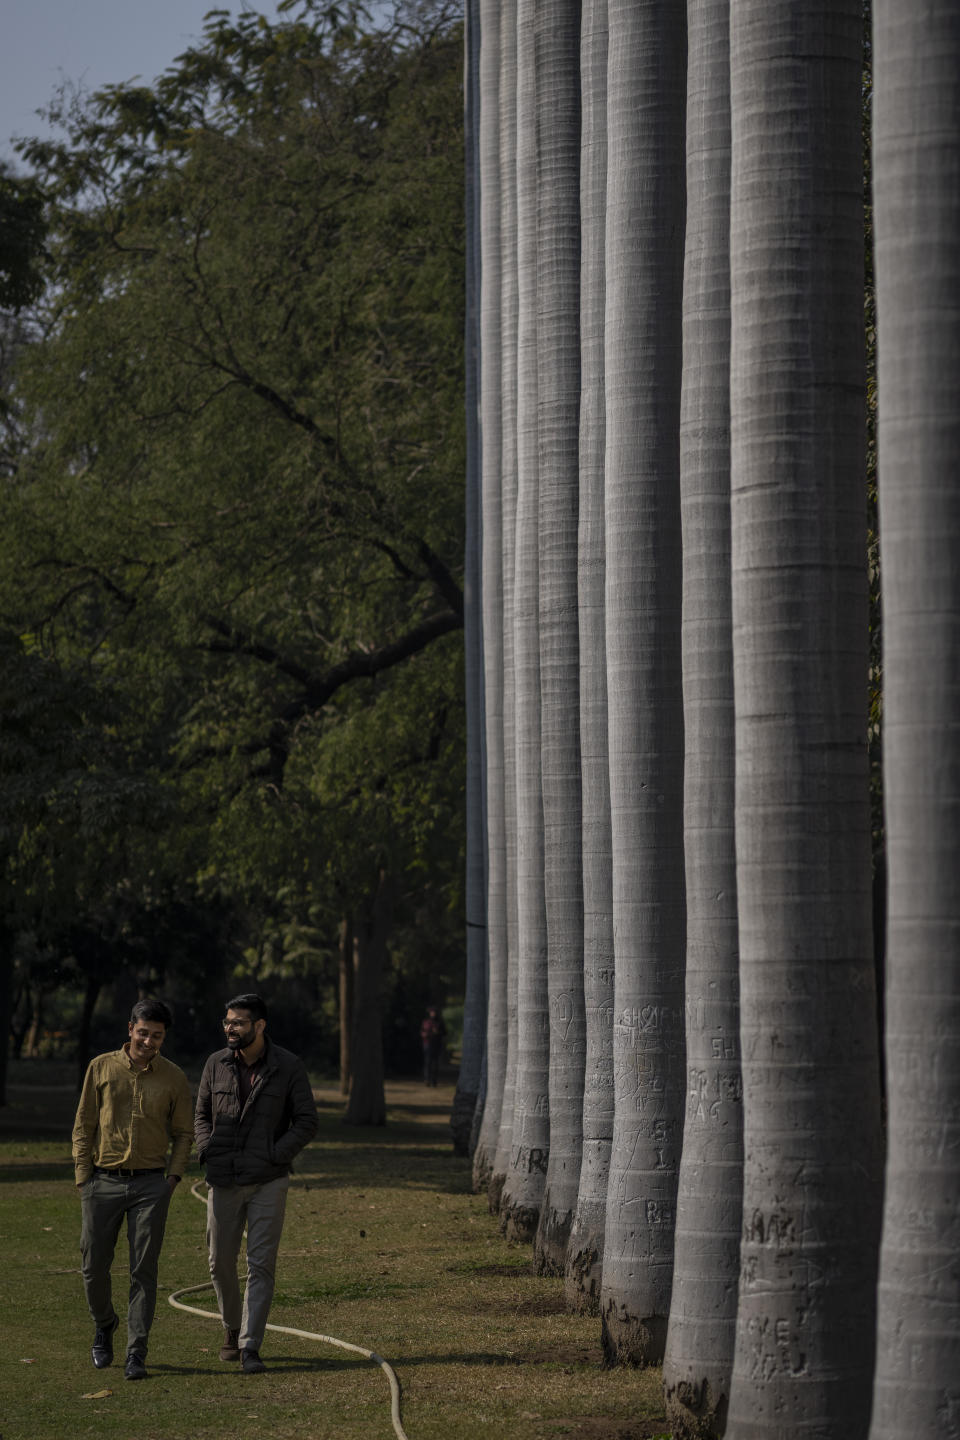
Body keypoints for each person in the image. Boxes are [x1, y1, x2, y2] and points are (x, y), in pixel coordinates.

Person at [194, 993, 318, 1375]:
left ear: (259, 1026)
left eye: (239, 1023)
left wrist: (276, 1155)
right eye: (227, 1022)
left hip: (268, 1181)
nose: (230, 1028)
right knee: (219, 1263)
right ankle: (231, 1327)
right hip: (223, 1179)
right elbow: (200, 1114)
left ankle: (250, 1346)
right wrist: (206, 1150)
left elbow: (306, 1121)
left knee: (260, 1264)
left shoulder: (288, 1066)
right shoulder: (215, 1064)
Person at [72, 997, 193, 1382]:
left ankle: (135, 1353)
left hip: (150, 1185)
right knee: (93, 1266)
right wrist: (82, 1176)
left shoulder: (173, 1077)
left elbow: (185, 1134)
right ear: (130, 1029)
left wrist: (172, 1178)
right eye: (143, 1033)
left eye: (157, 1036)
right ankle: (104, 1324)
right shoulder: (101, 1067)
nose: (149, 1041)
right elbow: (83, 1125)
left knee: (144, 1270)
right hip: (102, 1181)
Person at [419, 1005, 446, 1087]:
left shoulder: (439, 1022)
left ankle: (434, 1080)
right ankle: (427, 1079)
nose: (433, 1014)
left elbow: (444, 1032)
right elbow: (422, 1031)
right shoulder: (426, 1022)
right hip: (427, 1044)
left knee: (435, 1064)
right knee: (428, 1063)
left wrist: (438, 1032)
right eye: (431, 1012)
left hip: (436, 1045)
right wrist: (424, 1034)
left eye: (434, 1012)